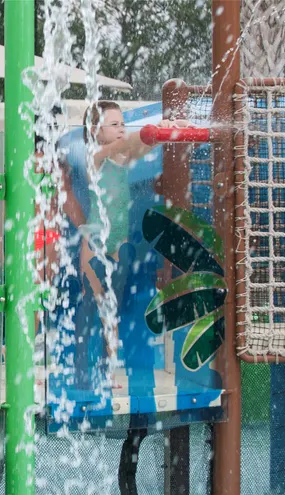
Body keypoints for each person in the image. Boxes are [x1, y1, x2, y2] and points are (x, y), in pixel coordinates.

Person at [80, 101, 189, 375]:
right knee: (92, 308)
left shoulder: (122, 159)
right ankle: (83, 367)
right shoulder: (95, 157)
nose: (120, 128)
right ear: (94, 130)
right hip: (94, 244)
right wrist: (145, 133)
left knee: (112, 310)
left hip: (118, 244)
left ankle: (108, 369)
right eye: (114, 124)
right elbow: (126, 144)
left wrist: (160, 134)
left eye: (123, 124)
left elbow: (138, 148)